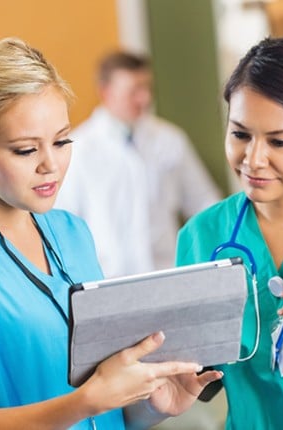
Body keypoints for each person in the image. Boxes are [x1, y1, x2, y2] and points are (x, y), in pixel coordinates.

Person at [0, 37, 223, 430]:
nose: (52, 165)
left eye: (62, 141)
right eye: (26, 150)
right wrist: (84, 402)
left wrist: (154, 406)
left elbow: (106, 408)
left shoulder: (72, 234)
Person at [177, 36, 283, 429]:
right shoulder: (202, 236)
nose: (253, 160)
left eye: (279, 141)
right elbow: (198, 374)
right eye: (240, 135)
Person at [55, 51, 222, 278]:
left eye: (147, 89)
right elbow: (64, 225)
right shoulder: (78, 150)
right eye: (134, 91)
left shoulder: (170, 140)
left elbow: (205, 203)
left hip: (166, 274)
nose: (144, 99)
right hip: (107, 280)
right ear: (106, 93)